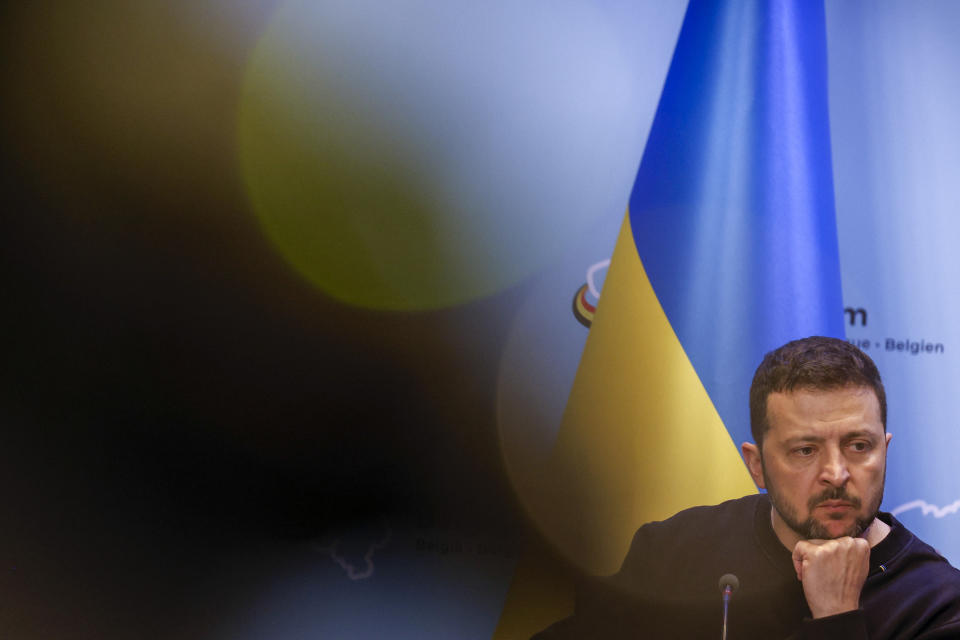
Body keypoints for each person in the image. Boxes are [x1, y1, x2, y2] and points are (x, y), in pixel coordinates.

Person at [532, 336, 960, 639]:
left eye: (858, 446)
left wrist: (837, 616)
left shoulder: (937, 604)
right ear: (756, 466)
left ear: (884, 451)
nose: (836, 472)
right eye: (805, 450)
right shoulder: (676, 552)